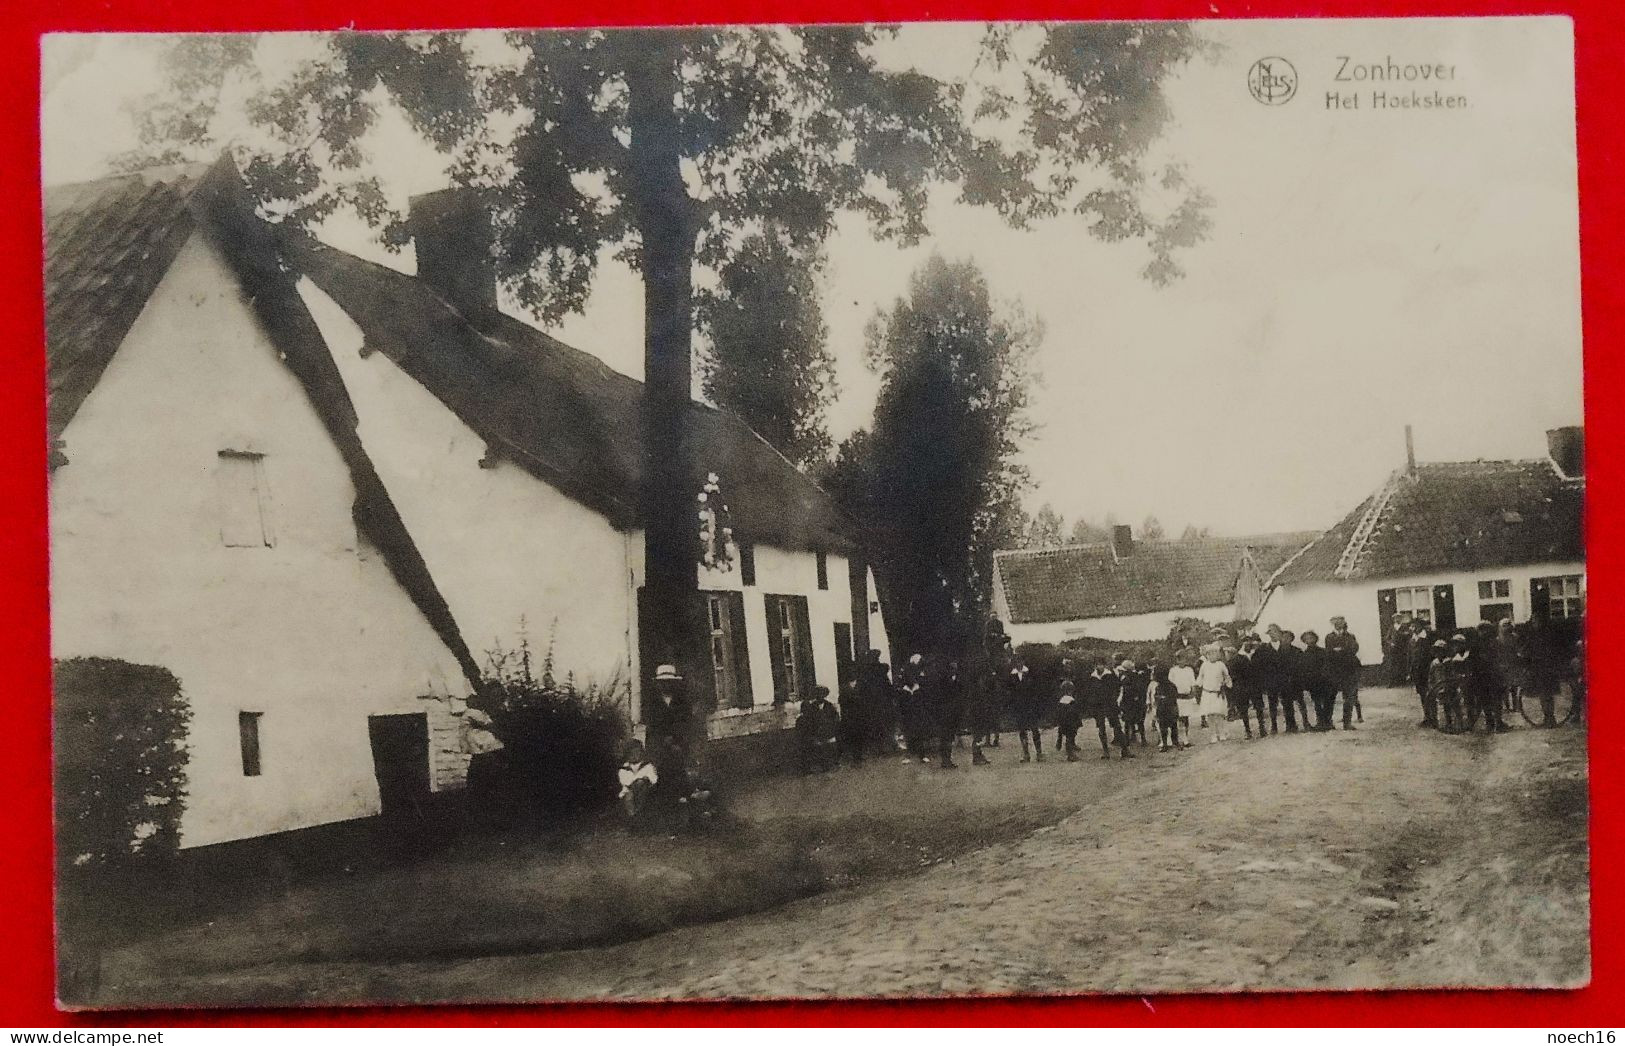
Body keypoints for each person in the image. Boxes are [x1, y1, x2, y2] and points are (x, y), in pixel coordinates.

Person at [645, 663, 697, 802]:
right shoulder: (653, 703)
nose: (666, 686)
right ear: (658, 684)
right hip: (660, 746)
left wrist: (676, 740)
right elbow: (652, 728)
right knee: (661, 776)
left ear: (674, 684)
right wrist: (662, 741)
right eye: (662, 683)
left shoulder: (682, 702)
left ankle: (682, 800)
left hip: (678, 744)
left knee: (679, 769)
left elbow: (686, 724)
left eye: (669, 682)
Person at [1082, 655, 1133, 759]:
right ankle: (1105, 751)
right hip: (1098, 706)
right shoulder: (1092, 677)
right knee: (1101, 728)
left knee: (1117, 727)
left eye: (1100, 664)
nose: (1098, 667)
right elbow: (1089, 692)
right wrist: (1092, 704)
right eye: (1096, 665)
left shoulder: (1110, 675)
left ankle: (1125, 750)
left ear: (1104, 665)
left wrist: (1114, 699)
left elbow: (1117, 688)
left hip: (1110, 705)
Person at [1524, 610, 1564, 728]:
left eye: (1536, 621)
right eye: (1533, 621)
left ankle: (1550, 718)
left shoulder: (1543, 635)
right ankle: (1548, 718)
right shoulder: (1534, 635)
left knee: (1547, 695)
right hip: (1541, 669)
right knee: (1544, 695)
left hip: (1545, 669)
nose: (1535, 623)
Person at [857, 648, 898, 757]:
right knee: (884, 725)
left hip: (873, 703)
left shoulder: (866, 672)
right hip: (881, 703)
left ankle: (880, 748)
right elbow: (887, 685)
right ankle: (886, 747)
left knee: (876, 725)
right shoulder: (880, 670)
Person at [1325, 616, 1362, 728]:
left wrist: (1341, 650)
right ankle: (1328, 722)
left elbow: (1354, 649)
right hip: (1334, 671)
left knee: (1349, 697)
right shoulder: (1329, 637)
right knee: (1331, 697)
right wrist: (1343, 651)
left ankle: (1347, 723)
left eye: (1341, 622)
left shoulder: (1350, 636)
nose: (1339, 624)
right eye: (1337, 622)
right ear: (1333, 624)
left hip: (1349, 670)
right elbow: (1329, 652)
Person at [1228, 634, 1268, 740]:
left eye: (1249, 641)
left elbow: (1262, 670)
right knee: (1243, 709)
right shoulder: (1236, 658)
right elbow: (1233, 674)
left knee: (1259, 707)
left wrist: (1261, 683)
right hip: (1242, 687)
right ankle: (1247, 730)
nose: (1247, 643)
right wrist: (1239, 685)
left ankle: (1262, 728)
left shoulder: (1256, 655)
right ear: (1241, 644)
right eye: (1245, 641)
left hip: (1255, 686)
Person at [796, 685, 842, 773]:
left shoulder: (829, 706)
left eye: (822, 695)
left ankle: (833, 763)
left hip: (828, 731)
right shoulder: (812, 707)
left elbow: (835, 718)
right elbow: (810, 720)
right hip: (818, 732)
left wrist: (832, 728)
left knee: (831, 748)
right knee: (820, 749)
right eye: (818, 695)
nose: (820, 697)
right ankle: (824, 765)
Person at [1009, 655, 1044, 762]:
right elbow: (1010, 693)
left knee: (1035, 729)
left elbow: (1036, 690)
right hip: (1019, 707)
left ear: (1023, 662)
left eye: (1021, 661)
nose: (1019, 663)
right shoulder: (1011, 676)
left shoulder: (1030, 673)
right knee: (1022, 730)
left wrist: (1036, 705)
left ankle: (1039, 753)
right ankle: (1026, 754)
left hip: (1031, 706)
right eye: (1017, 662)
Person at [1196, 642, 1232, 744]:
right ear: (1207, 655)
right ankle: (1213, 735)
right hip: (1207, 693)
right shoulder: (1204, 665)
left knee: (1219, 714)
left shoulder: (1221, 665)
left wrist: (1227, 683)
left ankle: (1221, 733)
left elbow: (1227, 676)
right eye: (1210, 653)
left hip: (1218, 693)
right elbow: (1200, 677)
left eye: (1214, 653)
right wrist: (1197, 684)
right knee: (1210, 715)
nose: (1212, 655)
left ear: (1218, 654)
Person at [934, 660, 968, 769]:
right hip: (945, 712)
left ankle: (947, 759)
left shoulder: (958, 680)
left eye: (955, 668)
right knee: (946, 737)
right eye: (952, 668)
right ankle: (945, 760)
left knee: (950, 737)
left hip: (954, 712)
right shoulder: (944, 681)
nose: (954, 670)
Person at [1298, 630, 1334, 731]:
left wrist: (1326, 677)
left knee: (1327, 701)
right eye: (1307, 639)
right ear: (1304, 641)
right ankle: (1320, 722)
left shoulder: (1323, 652)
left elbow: (1328, 666)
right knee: (1317, 703)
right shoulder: (1304, 655)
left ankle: (1328, 721)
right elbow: (1304, 669)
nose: (1309, 640)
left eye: (1311, 638)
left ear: (1315, 639)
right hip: (1313, 682)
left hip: (1324, 681)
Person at [617, 739, 659, 822]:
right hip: (629, 791)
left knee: (641, 784)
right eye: (631, 753)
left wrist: (644, 780)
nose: (634, 755)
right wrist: (635, 783)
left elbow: (654, 779)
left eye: (637, 752)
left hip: (646, 792)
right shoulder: (624, 768)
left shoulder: (648, 766)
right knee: (629, 796)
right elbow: (625, 782)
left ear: (641, 753)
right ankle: (633, 819)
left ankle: (639, 817)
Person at [1278, 629, 1311, 732]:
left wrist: (1301, 680)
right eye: (1283, 637)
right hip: (1283, 682)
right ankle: (1290, 726)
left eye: (1288, 637)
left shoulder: (1297, 651)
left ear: (1291, 639)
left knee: (1301, 703)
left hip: (1295, 681)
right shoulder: (1277, 652)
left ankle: (1306, 723)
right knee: (1287, 705)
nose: (1285, 639)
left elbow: (1303, 667)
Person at [1427, 638, 1462, 733]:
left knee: (1455, 705)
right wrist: (1432, 687)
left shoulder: (1450, 662)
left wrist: (1454, 684)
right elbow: (1431, 677)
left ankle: (1459, 723)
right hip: (1440, 688)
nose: (1438, 653)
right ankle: (1448, 723)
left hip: (1450, 687)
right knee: (1445, 706)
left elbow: (1454, 674)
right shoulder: (1434, 663)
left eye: (1440, 650)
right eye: (1436, 651)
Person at [1492, 617, 1525, 715]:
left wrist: (1519, 655)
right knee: (1504, 688)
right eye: (1504, 626)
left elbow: (1519, 649)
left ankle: (1515, 705)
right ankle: (1507, 706)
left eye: (1508, 625)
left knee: (1514, 686)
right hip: (1503, 665)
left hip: (1513, 664)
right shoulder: (1498, 640)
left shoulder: (1515, 637)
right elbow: (1496, 653)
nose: (1506, 628)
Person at [1168, 647, 1199, 749]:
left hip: (1187, 698)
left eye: (1184, 659)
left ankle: (1186, 740)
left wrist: (1193, 693)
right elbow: (1170, 684)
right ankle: (1178, 740)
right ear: (1177, 660)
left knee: (1185, 719)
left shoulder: (1189, 670)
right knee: (1178, 719)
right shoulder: (1173, 670)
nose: (1183, 661)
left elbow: (1193, 683)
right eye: (1180, 659)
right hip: (1177, 698)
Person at [1409, 619, 1438, 727]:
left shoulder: (1428, 637)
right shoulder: (1412, 640)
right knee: (1422, 694)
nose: (1413, 628)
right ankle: (1427, 717)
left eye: (1415, 625)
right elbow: (1410, 656)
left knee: (1430, 693)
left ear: (1421, 626)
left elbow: (1433, 654)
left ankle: (1434, 718)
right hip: (1417, 671)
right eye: (1412, 626)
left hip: (1427, 670)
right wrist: (1410, 670)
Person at [1117, 655, 1150, 747]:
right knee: (1134, 721)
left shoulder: (1130, 676)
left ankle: (1134, 739)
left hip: (1132, 701)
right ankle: (1136, 739)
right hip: (1132, 701)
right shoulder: (1133, 676)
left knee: (1131, 721)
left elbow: (1134, 688)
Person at [1150, 663, 1182, 752]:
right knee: (1163, 728)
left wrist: (1162, 699)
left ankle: (1175, 742)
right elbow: (1157, 697)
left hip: (1170, 709)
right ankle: (1165, 744)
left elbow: (1173, 697)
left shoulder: (1170, 686)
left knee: (1173, 727)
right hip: (1162, 710)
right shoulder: (1159, 687)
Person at [1055, 679, 1084, 761]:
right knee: (1070, 738)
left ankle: (1068, 750)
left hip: (1063, 722)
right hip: (1070, 722)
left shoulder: (1061, 701)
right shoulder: (1071, 701)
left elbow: (1058, 713)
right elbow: (1074, 712)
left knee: (1068, 737)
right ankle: (1070, 755)